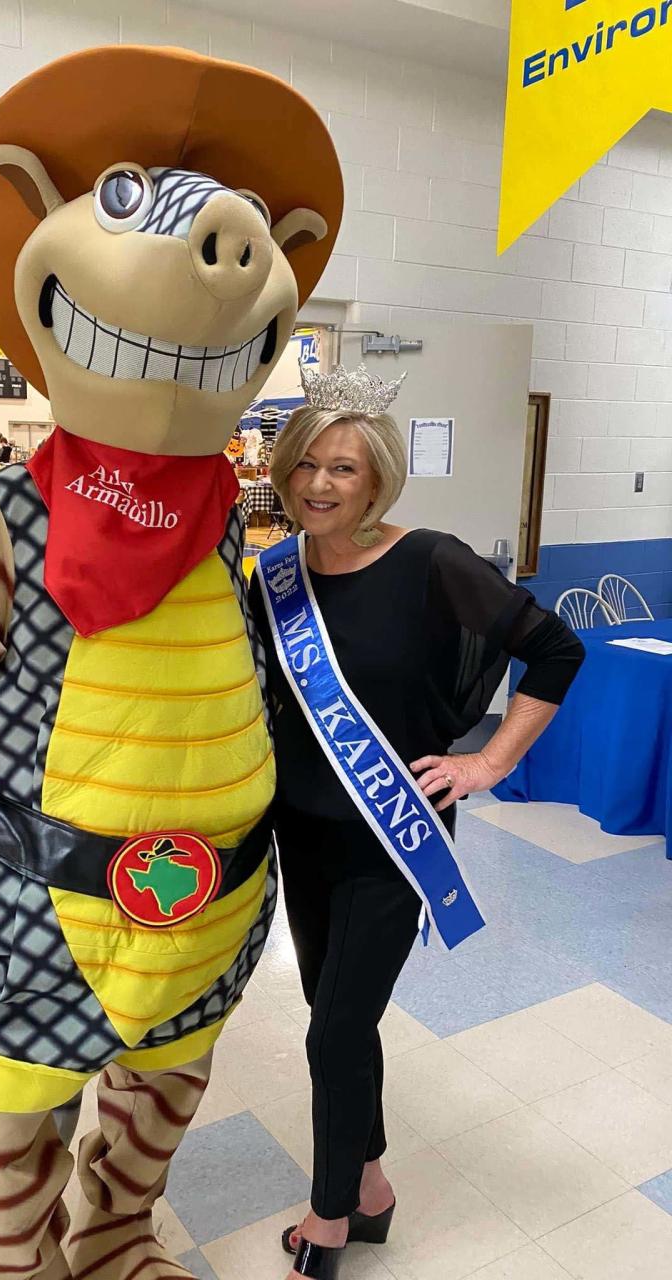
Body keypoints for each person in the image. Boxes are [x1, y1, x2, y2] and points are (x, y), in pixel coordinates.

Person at [0, 43, 343, 1280]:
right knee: (4, 1123)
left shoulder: (226, 526)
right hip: (40, 899)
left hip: (207, 911)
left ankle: (116, 1238)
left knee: (161, 1095)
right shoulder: (13, 513)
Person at [248, 363, 585, 1280]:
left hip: (392, 835)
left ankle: (329, 1220)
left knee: (330, 1034)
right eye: (307, 464)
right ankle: (372, 1187)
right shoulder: (273, 577)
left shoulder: (431, 558)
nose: (321, 484)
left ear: (379, 479)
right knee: (339, 1018)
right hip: (302, 834)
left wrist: (490, 760)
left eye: (345, 469)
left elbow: (555, 649)